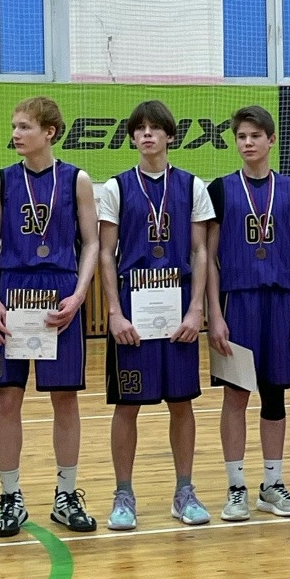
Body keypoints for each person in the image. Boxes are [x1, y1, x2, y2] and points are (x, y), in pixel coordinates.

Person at [0, 96, 100, 538]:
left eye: (24, 126)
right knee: (7, 398)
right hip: (13, 291)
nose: (15, 134)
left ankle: (66, 495)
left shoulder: (77, 179)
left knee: (64, 398)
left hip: (60, 293)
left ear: (49, 132)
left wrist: (80, 295)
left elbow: (92, 243)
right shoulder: (1, 181)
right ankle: (10, 496)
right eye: (14, 126)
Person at [97, 100, 211, 530]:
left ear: (169, 136)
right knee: (127, 406)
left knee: (181, 403)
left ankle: (184, 491)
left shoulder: (192, 185)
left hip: (178, 308)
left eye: (154, 128)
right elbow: (105, 254)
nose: (147, 134)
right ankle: (123, 494)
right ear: (132, 137)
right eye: (139, 129)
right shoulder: (116, 187)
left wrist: (196, 309)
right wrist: (114, 312)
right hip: (133, 309)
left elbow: (200, 252)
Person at [206, 105, 290, 522]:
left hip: (280, 302)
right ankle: (235, 487)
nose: (247, 143)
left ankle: (272, 484)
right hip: (238, 301)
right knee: (235, 395)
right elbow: (208, 258)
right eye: (241, 137)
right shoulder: (220, 189)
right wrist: (214, 314)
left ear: (271, 140)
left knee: (275, 394)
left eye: (255, 136)